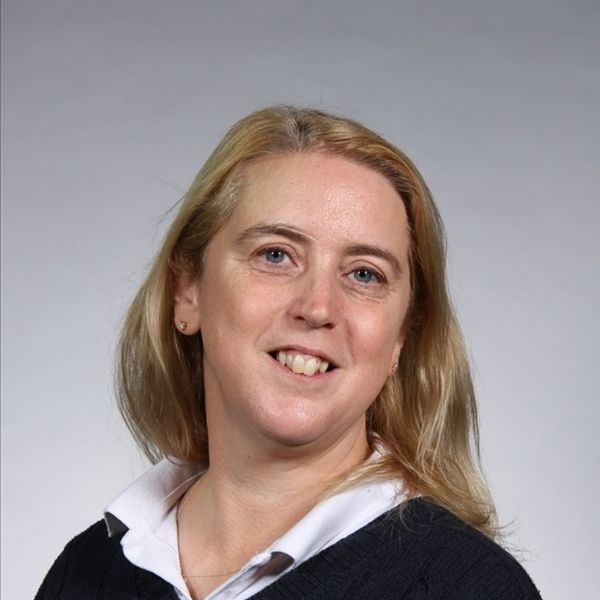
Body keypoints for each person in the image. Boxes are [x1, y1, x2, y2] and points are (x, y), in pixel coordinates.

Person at [35, 106, 542, 599]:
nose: (318, 307)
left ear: (401, 338)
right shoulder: (85, 573)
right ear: (187, 291)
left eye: (365, 274)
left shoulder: (469, 589)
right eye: (276, 255)